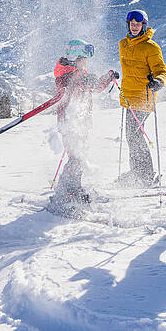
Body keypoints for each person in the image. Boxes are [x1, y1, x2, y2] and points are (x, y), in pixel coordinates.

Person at [50, 39, 117, 214]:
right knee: (76, 158)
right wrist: (81, 77)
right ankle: (65, 195)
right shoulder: (66, 73)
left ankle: (74, 189)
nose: (87, 62)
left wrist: (108, 77)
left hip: (82, 122)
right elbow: (67, 85)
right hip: (70, 123)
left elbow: (93, 87)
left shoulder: (79, 71)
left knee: (80, 156)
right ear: (77, 58)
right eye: (84, 59)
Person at [117, 10, 166, 187]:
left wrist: (159, 81)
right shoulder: (123, 44)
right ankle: (137, 172)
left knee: (135, 135)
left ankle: (145, 175)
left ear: (144, 25)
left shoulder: (151, 47)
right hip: (129, 97)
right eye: (131, 24)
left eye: (138, 24)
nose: (134, 26)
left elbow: (162, 70)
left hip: (143, 97)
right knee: (132, 136)